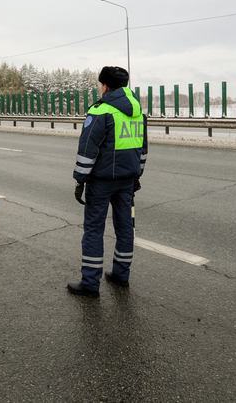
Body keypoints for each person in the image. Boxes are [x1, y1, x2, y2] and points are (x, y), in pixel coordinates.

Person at [68, 66, 148, 298]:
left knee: (94, 230)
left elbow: (87, 149)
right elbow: (142, 149)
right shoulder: (137, 112)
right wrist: (136, 176)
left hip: (101, 182)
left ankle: (90, 284)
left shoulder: (101, 111)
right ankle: (121, 276)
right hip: (127, 181)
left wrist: (80, 180)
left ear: (104, 86)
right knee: (125, 228)